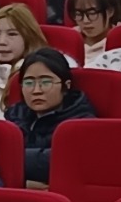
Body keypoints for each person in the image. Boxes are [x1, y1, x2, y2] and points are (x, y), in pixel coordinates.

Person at [5, 48, 95, 185]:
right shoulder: (14, 116)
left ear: (66, 86)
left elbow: (65, 162)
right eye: (29, 83)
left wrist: (12, 161)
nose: (36, 91)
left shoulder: (82, 123)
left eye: (46, 82)